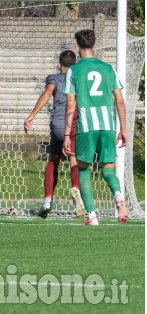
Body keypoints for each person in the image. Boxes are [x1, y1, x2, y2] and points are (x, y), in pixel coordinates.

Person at [62, 29, 128, 225]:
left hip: (86, 127)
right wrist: (123, 129)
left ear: (77, 47)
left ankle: (92, 216)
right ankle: (117, 194)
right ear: (94, 46)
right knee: (108, 170)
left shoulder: (73, 70)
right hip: (107, 126)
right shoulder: (109, 69)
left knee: (83, 171)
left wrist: (67, 135)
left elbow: (71, 105)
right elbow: (120, 101)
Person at [24, 50, 85, 218]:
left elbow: (46, 94)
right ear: (76, 65)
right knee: (74, 159)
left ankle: (48, 200)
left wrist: (32, 115)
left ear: (59, 64)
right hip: (75, 124)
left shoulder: (54, 78)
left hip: (58, 126)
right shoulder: (79, 78)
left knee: (53, 159)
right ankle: (76, 194)